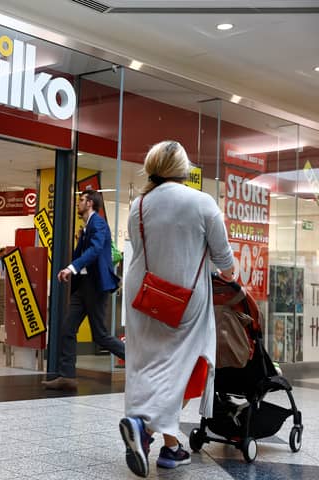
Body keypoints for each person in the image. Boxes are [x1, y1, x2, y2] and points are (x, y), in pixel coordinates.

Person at [119, 140, 234, 477]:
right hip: (184, 301)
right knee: (191, 367)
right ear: (184, 170)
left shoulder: (139, 204)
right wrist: (230, 274)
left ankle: (172, 448)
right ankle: (144, 430)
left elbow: (139, 246)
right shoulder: (202, 202)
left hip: (143, 296)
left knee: (150, 367)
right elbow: (223, 259)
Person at [42, 189, 124, 391]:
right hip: (84, 286)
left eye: (81, 200)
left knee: (100, 336)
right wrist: (73, 268)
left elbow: (95, 250)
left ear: (90, 203)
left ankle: (139, 362)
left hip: (96, 287)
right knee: (67, 329)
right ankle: (67, 376)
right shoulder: (87, 227)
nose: (78, 203)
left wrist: (72, 267)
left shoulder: (98, 223)